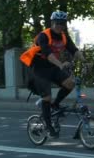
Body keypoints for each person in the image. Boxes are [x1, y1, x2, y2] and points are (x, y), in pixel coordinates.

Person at [20, 10, 86, 138]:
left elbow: (74, 50)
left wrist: (85, 62)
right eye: (57, 23)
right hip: (38, 69)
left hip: (52, 67)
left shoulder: (63, 36)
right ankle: (49, 126)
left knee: (70, 83)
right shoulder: (43, 36)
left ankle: (55, 105)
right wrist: (61, 65)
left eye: (62, 23)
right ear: (52, 22)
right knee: (47, 97)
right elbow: (48, 54)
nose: (59, 26)